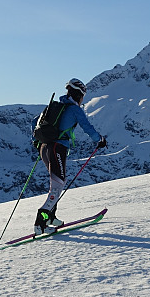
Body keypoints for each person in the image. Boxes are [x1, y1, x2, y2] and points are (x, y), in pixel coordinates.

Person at [33, 78, 106, 235]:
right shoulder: (74, 109)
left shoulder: (55, 106)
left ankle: (51, 217)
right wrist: (99, 140)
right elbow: (87, 127)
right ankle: (41, 223)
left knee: (57, 183)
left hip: (45, 147)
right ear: (79, 95)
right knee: (58, 184)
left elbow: (35, 122)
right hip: (57, 148)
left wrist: (37, 141)